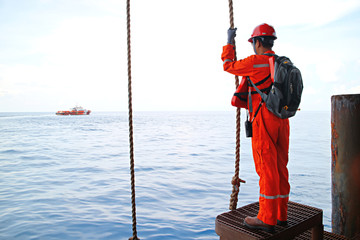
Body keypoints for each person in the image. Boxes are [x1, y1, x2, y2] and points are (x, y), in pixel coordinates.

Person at [221, 23, 290, 233]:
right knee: (280, 168)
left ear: (257, 42)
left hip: (263, 120)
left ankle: (267, 219)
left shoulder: (256, 62)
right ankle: (281, 215)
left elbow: (228, 65)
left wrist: (229, 41)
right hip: (283, 120)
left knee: (266, 168)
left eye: (253, 42)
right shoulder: (281, 62)